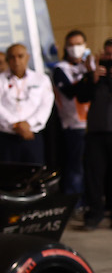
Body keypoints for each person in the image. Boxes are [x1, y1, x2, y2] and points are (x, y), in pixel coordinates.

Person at [0, 43, 54, 164]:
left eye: (20, 56)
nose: (16, 61)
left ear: (27, 57)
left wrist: (28, 124)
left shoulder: (41, 79)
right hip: (6, 136)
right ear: (7, 60)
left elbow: (45, 105)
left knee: (34, 176)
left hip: (31, 135)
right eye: (12, 57)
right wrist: (16, 124)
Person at [52, 29, 93, 202]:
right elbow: (69, 92)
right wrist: (89, 76)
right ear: (66, 47)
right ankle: (74, 204)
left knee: (93, 167)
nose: (76, 48)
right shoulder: (61, 69)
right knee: (75, 166)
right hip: (73, 125)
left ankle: (92, 201)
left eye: (79, 44)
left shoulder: (90, 67)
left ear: (86, 46)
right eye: (72, 45)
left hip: (95, 124)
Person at [76, 38, 112, 229]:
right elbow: (81, 97)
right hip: (96, 134)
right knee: (94, 176)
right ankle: (95, 213)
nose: (109, 58)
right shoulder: (92, 77)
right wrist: (94, 79)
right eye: (107, 54)